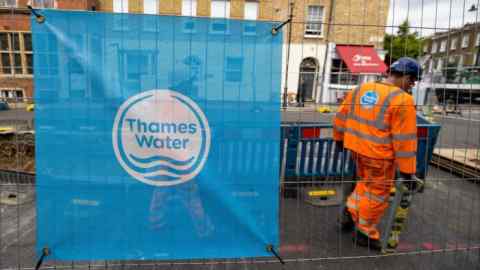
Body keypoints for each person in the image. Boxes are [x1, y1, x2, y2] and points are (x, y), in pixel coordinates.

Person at [332, 57, 421, 250]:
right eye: (413, 80)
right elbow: (405, 141)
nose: (412, 85)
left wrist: (339, 139)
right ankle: (365, 232)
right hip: (379, 156)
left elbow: (340, 116)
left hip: (356, 150)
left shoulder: (361, 89)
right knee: (377, 194)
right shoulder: (402, 100)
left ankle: (352, 209)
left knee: (365, 184)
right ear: (405, 76)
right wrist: (408, 172)